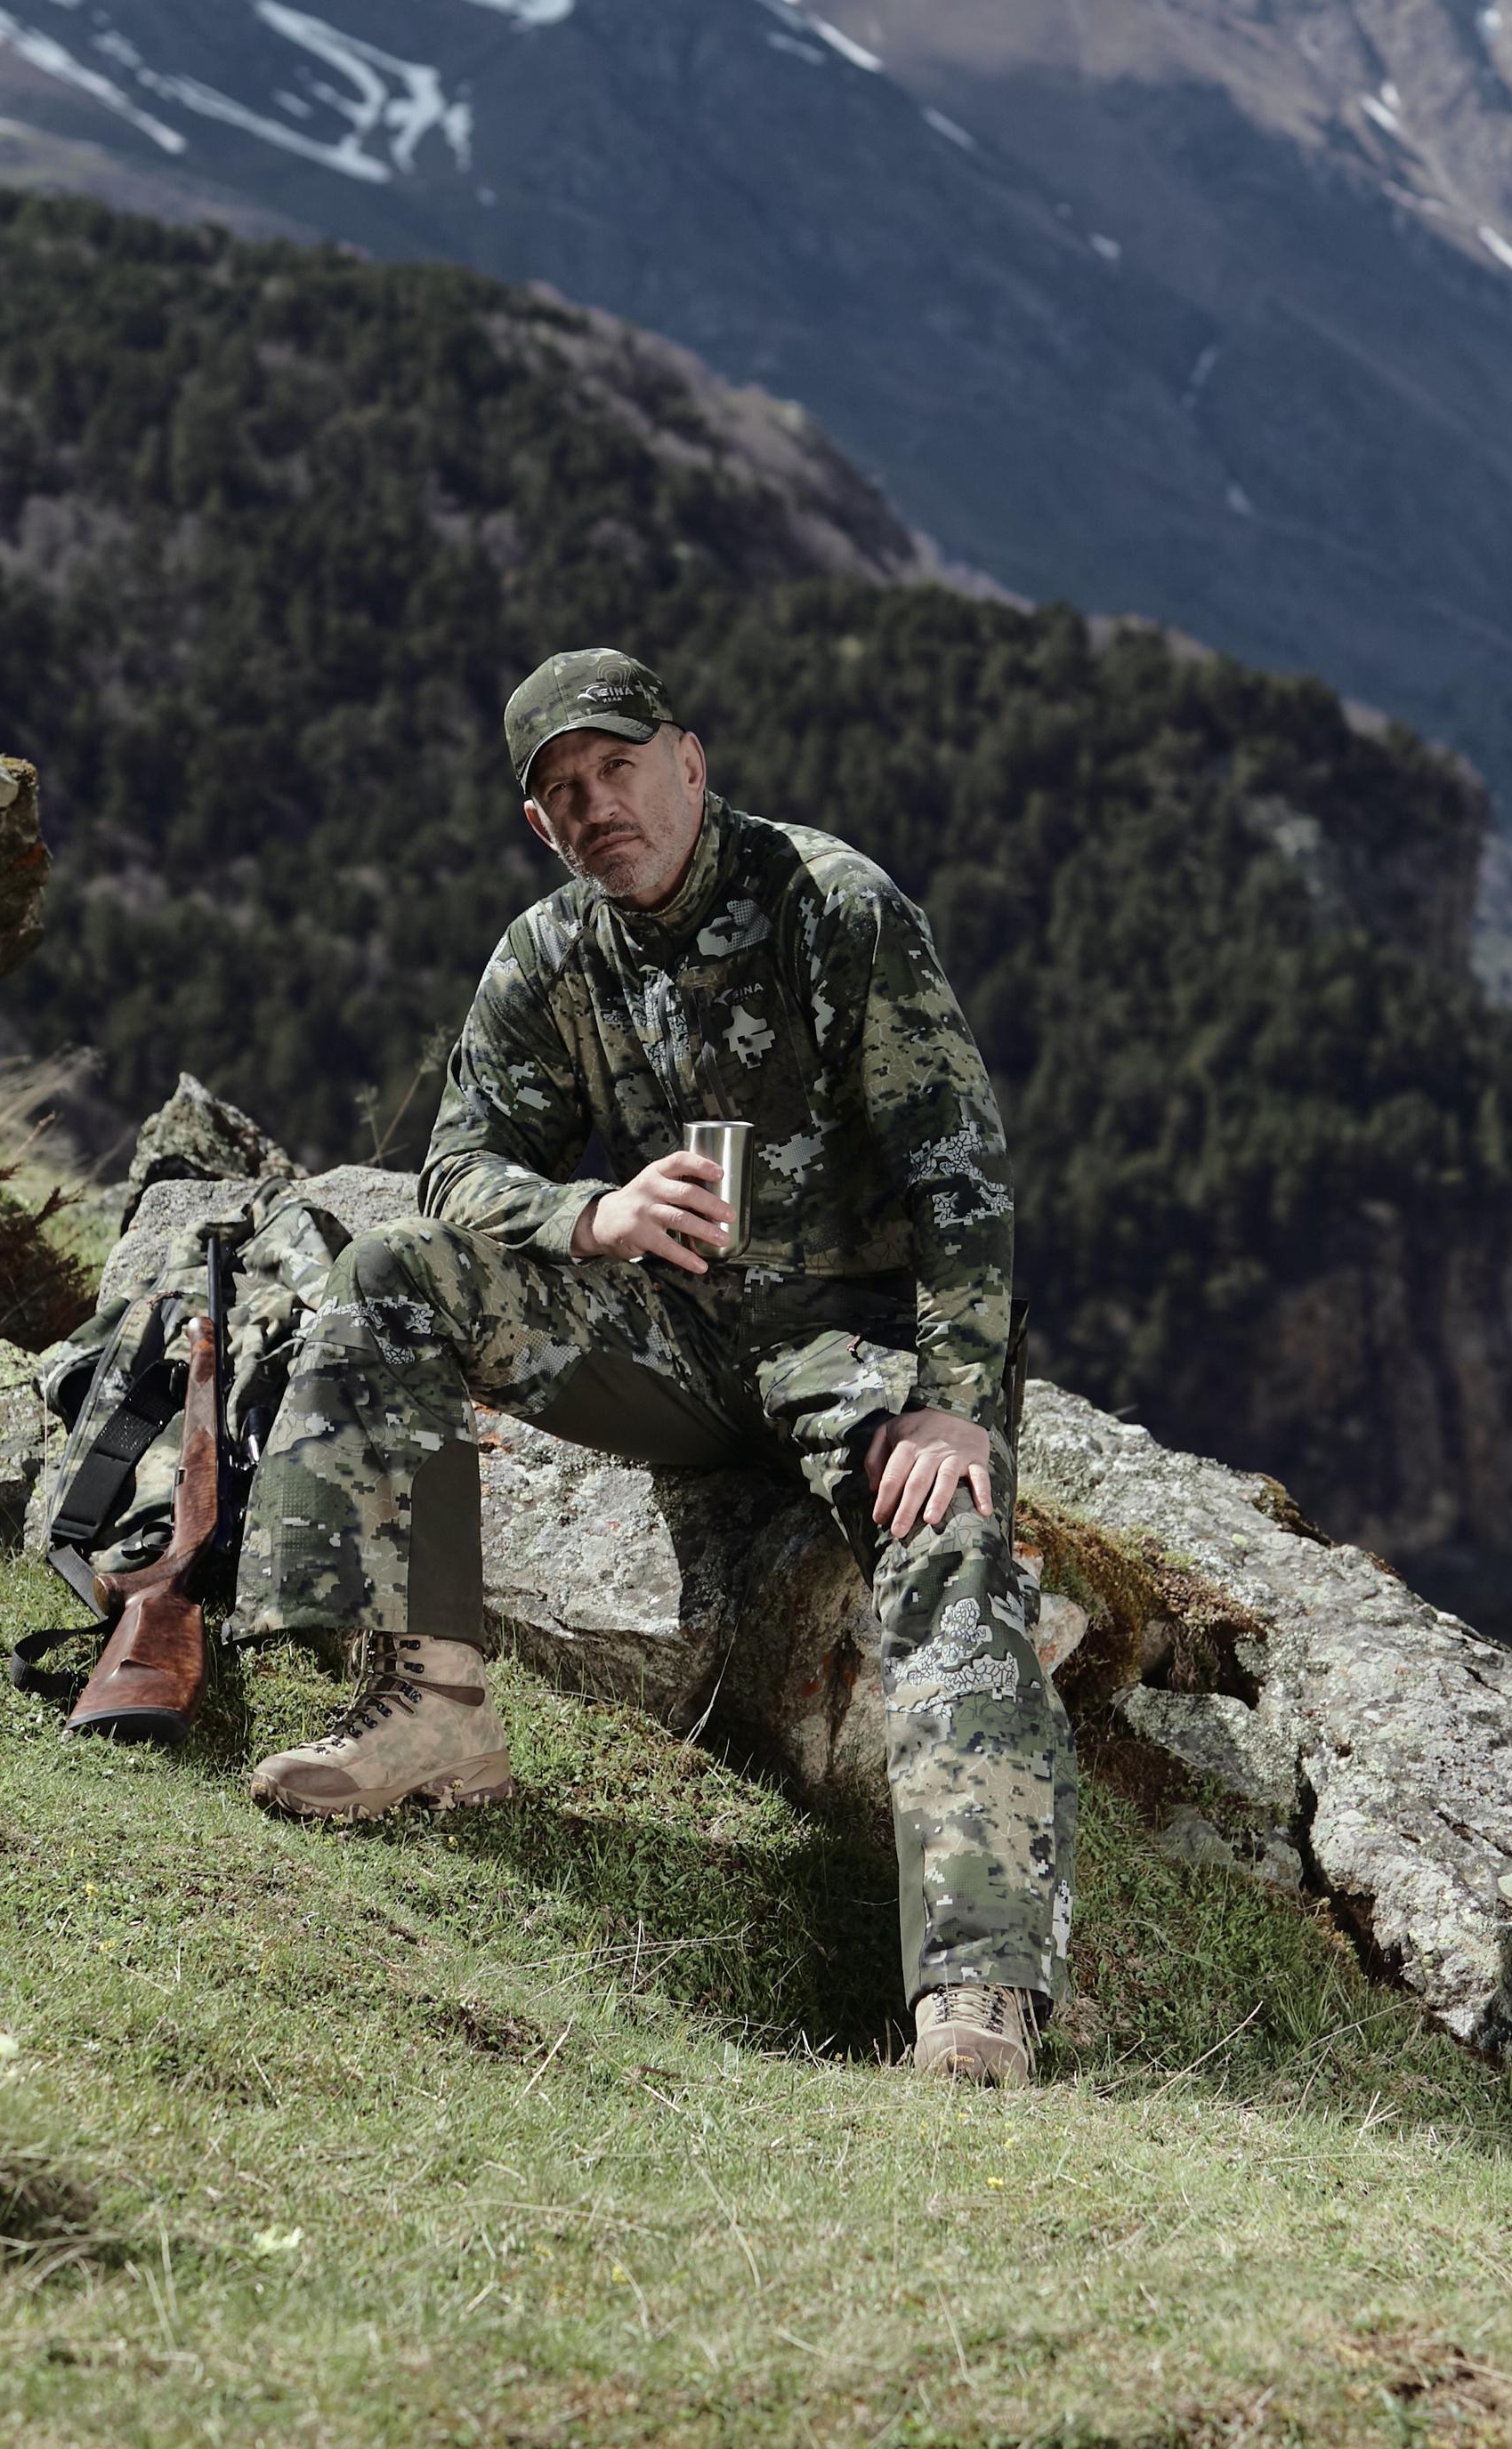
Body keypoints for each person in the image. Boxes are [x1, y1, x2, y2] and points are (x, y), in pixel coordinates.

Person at [237, 648, 1075, 2086]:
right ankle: (430, 1708)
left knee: (948, 1532)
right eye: (564, 791)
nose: (597, 805)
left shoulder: (833, 905)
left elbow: (960, 1171)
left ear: (689, 761)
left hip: (854, 1347)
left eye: (618, 768)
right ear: (539, 823)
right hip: (675, 1337)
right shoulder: (551, 952)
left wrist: (955, 1404)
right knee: (389, 1275)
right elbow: (455, 1167)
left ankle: (977, 1986)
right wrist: (592, 1215)